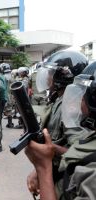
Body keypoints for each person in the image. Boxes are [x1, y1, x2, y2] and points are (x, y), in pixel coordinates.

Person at [25, 63, 96, 199]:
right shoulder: (57, 100)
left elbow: (74, 151)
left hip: (64, 178)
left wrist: (43, 166)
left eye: (85, 94)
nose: (80, 99)